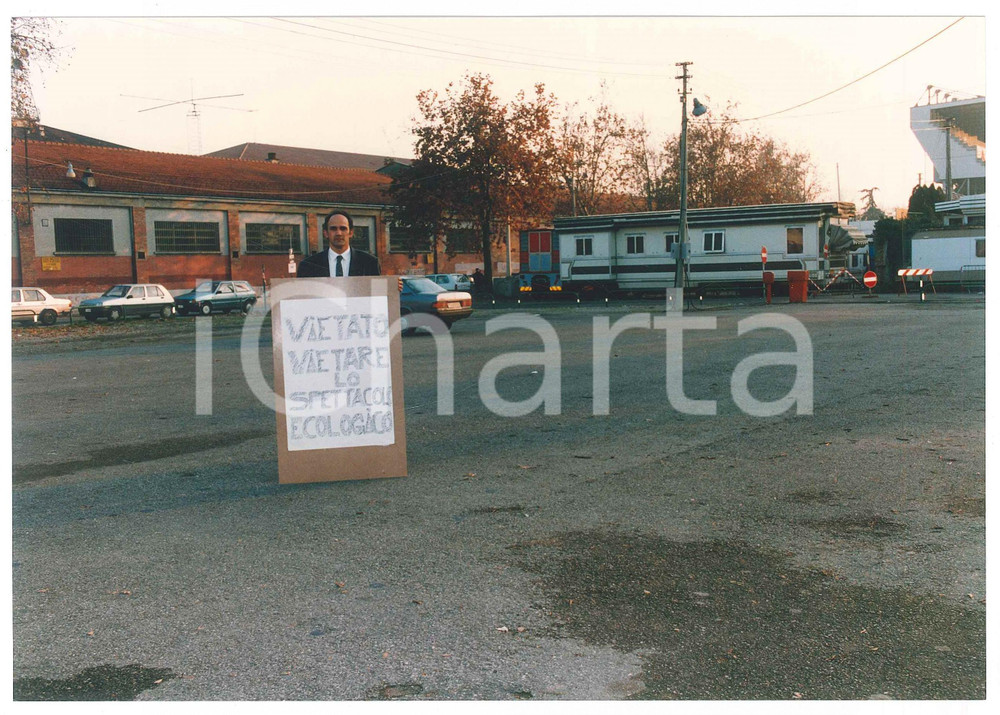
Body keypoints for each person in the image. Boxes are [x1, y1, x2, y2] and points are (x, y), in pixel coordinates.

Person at [297, 210, 381, 277]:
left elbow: (378, 295)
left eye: (343, 228)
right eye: (333, 229)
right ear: (325, 233)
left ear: (351, 233)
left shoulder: (370, 263)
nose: (338, 233)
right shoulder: (308, 265)